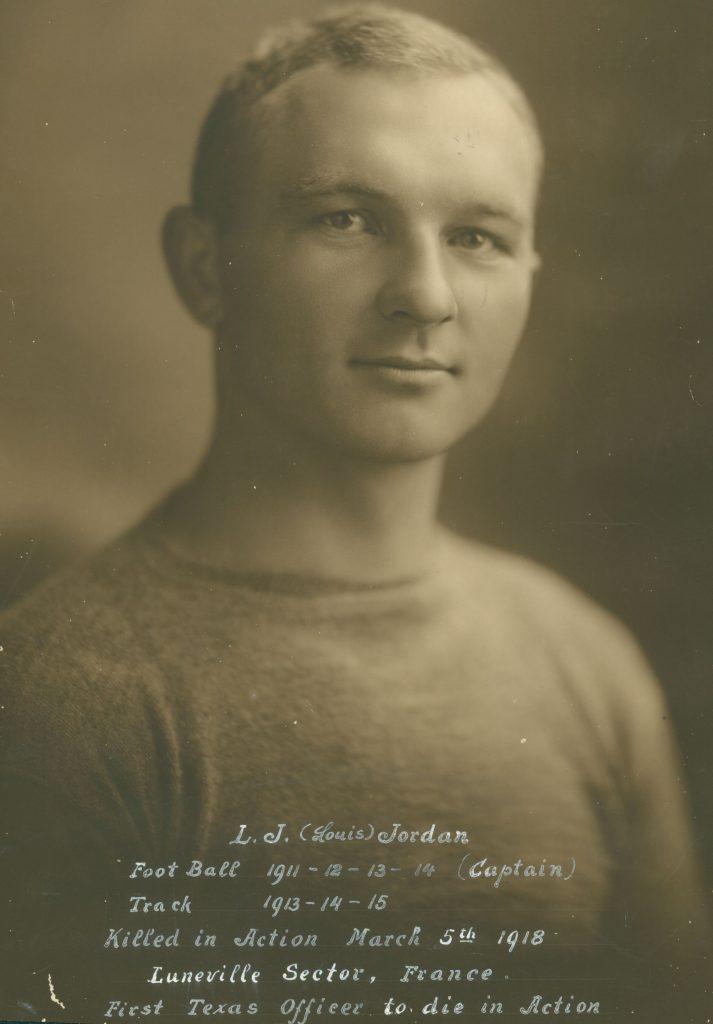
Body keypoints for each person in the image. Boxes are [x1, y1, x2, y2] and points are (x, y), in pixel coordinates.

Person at [0, 5, 708, 1022]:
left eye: (476, 236)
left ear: (527, 278)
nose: (424, 294)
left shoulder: (586, 665)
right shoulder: (62, 701)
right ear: (205, 267)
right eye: (345, 218)